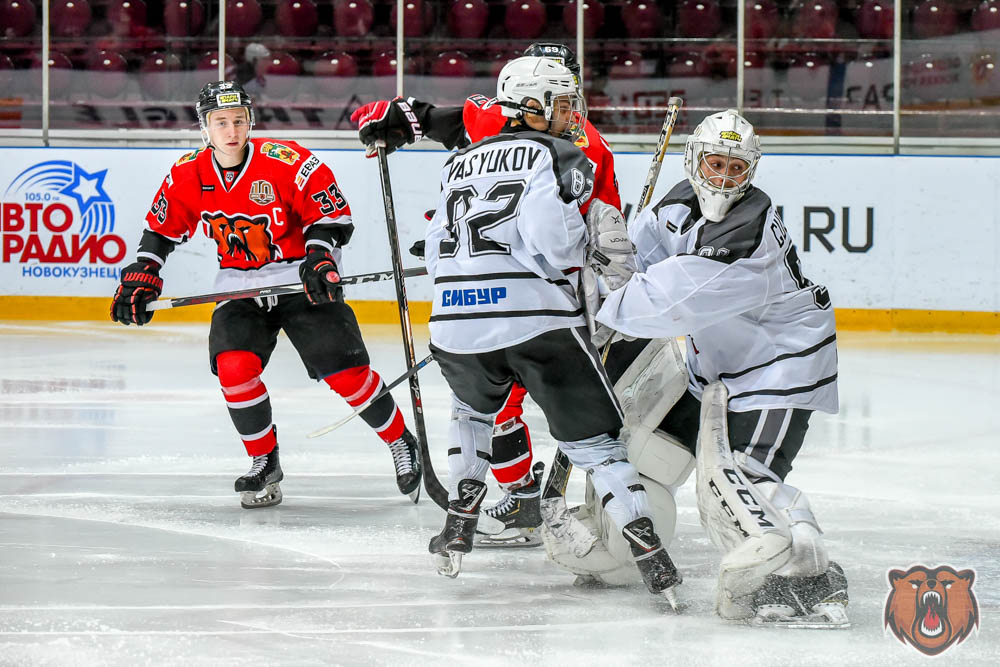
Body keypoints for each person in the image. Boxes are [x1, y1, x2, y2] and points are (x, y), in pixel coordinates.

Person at [420, 56, 680, 604]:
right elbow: (556, 244)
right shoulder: (558, 152)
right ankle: (649, 550)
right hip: (535, 320)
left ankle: (459, 520)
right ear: (532, 106)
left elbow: (437, 256)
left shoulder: (458, 163)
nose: (571, 114)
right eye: (562, 103)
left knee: (471, 413)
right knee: (596, 445)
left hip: (454, 324)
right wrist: (594, 253)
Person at [351, 43, 623, 547]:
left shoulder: (586, 147)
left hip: (541, 300)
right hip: (501, 297)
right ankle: (524, 497)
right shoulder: (505, 119)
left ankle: (531, 498)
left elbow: (596, 239)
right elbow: (443, 120)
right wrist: (396, 118)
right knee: (502, 405)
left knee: (512, 402)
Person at [583, 109, 849, 627]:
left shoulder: (747, 230)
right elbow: (639, 259)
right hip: (717, 368)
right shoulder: (680, 202)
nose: (723, 178)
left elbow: (668, 301)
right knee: (646, 454)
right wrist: (602, 261)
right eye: (715, 164)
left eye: (735, 168)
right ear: (693, 161)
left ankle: (806, 571)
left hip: (776, 371)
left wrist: (600, 302)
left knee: (738, 481)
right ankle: (620, 546)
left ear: (750, 172)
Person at [110, 80, 422, 509]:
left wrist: (318, 256)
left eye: (238, 120)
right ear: (205, 128)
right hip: (240, 285)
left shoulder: (287, 161)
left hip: (301, 280)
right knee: (234, 367)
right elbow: (162, 229)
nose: (231, 129)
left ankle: (400, 441)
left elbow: (328, 214)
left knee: (345, 374)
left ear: (250, 121)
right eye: (220, 122)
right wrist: (145, 269)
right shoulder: (187, 172)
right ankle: (264, 460)